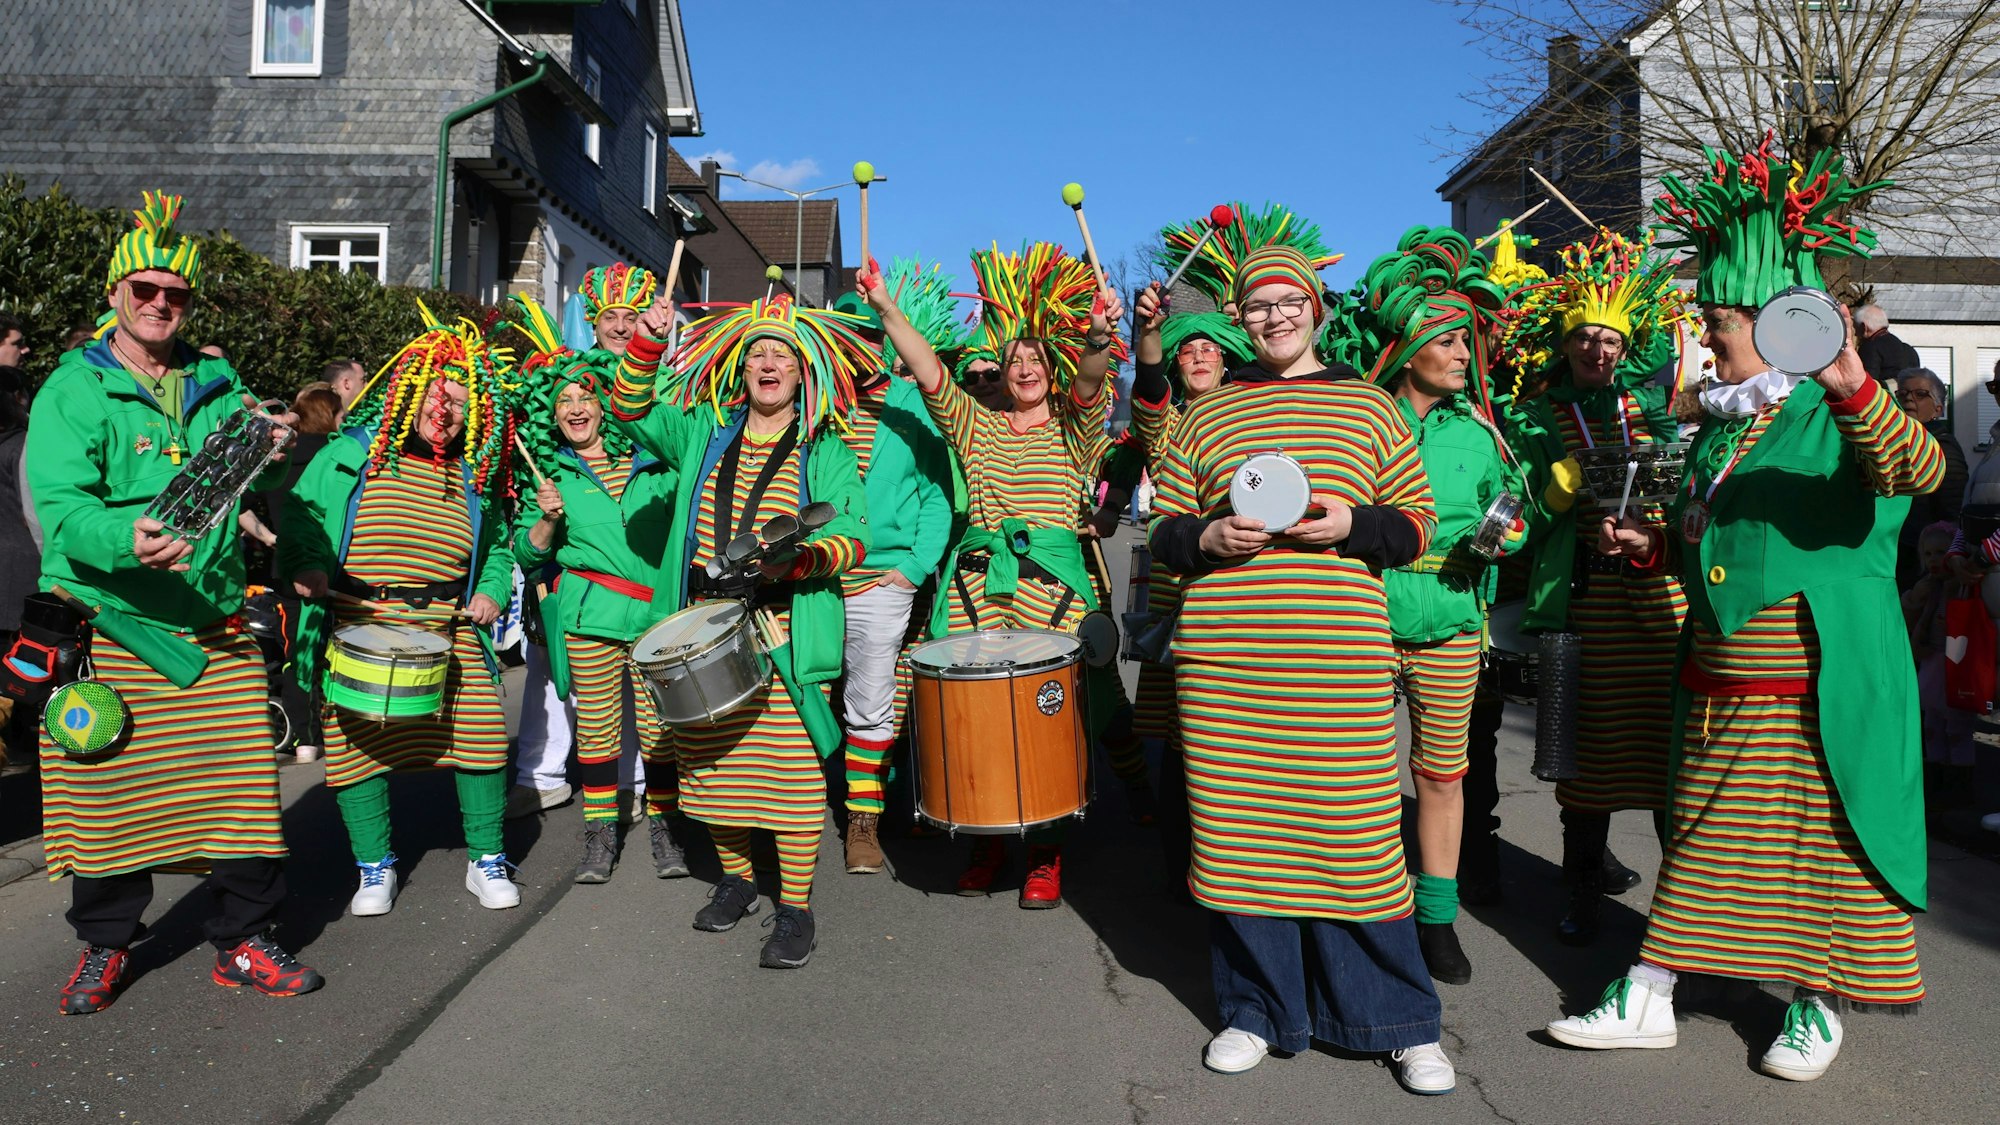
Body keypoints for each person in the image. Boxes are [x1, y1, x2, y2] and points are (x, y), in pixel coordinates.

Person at [1549, 135, 1939, 1082]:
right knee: (1702, 846)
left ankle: (1814, 1003)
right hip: (1717, 681)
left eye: (1718, 320)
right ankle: (1651, 994)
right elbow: (1716, 540)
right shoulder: (1728, 424)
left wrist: (1850, 380)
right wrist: (1655, 548)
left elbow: (1916, 471)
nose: (1706, 335)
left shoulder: (1835, 407)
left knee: (1821, 852)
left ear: (1777, 326)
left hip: (1814, 690)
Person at [1145, 243, 1453, 1094]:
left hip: (1336, 661)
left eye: (1289, 302)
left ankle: (1398, 1019)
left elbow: (1419, 523)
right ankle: (1255, 1008)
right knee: (1239, 837)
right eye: (1257, 305)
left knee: (1355, 836)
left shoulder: (1369, 405)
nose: (1274, 316)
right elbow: (1164, 527)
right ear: (1237, 318)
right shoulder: (1205, 414)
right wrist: (1205, 536)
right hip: (1227, 664)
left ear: (1316, 309)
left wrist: (1355, 523)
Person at [29, 191, 321, 1014]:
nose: (161, 303)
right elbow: (61, 505)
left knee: (242, 793)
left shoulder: (217, 381)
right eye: (146, 290)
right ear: (116, 293)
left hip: (213, 622)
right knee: (108, 796)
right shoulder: (73, 388)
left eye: (176, 294)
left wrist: (273, 448)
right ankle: (106, 944)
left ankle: (244, 940)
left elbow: (250, 471)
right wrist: (127, 540)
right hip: (113, 624)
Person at [609, 292, 871, 970]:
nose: (769, 363)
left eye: (782, 354)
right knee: (714, 766)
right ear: (741, 367)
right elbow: (629, 409)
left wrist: (799, 560)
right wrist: (646, 341)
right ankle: (738, 879)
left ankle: (796, 908)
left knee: (791, 777)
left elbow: (853, 535)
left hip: (780, 628)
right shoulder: (703, 430)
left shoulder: (825, 448)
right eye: (758, 353)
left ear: (803, 372)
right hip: (702, 628)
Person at [864, 242, 1124, 909]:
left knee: (1047, 722)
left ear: (1051, 370)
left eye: (1036, 359)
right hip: (977, 589)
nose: (1025, 368)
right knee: (974, 717)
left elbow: (1091, 382)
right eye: (1014, 360)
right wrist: (886, 306)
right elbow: (929, 374)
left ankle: (1045, 854)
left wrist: (1098, 336)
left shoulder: (1075, 429)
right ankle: (983, 841)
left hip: (1053, 592)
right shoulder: (976, 425)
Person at [282, 312, 522, 918]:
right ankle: (374, 866)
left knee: (482, 735)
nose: (446, 411)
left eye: (460, 404)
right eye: (438, 396)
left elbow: (497, 547)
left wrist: (491, 590)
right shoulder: (350, 453)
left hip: (449, 625)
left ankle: (487, 858)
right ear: (410, 393)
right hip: (357, 621)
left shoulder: (475, 471)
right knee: (355, 745)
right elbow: (303, 517)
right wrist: (307, 565)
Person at [1505, 228, 1691, 944]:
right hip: (1584, 603)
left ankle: (1683, 912)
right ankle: (1582, 891)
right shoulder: (1535, 414)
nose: (1598, 350)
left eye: (1611, 340)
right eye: (1585, 337)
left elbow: (1682, 493)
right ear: (1566, 341)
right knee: (1584, 762)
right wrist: (1557, 486)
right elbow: (1517, 510)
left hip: (1657, 601)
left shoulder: (1647, 410)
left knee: (1669, 756)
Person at [1347, 226, 1522, 986]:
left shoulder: (1481, 432)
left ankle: (1437, 919)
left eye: (1464, 342)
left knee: (1443, 777)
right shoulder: (1361, 417)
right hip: (1365, 616)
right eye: (1448, 342)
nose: (1462, 355)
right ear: (1411, 345)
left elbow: (1508, 509)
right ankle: (1365, 911)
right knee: (1356, 775)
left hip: (1450, 620)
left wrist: (1510, 533)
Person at [508, 294, 686, 883]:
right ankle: (600, 836)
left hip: (657, 618)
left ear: (606, 402)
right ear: (552, 416)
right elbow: (527, 554)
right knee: (598, 729)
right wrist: (546, 520)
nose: (575, 407)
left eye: (585, 396)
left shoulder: (656, 462)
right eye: (563, 401)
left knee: (659, 731)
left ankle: (664, 828)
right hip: (589, 619)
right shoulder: (549, 475)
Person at [826, 270, 956, 874]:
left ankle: (862, 822)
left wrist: (912, 567)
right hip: (813, 579)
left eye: (866, 334)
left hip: (882, 581)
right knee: (801, 694)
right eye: (844, 335)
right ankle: (797, 807)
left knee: (871, 700)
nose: (856, 345)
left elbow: (937, 494)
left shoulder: (911, 404)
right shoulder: (815, 402)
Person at [1892, 367, 1967, 588]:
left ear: (1938, 408)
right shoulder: (1896, 443)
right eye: (1902, 393)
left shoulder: (1942, 447)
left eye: (1920, 394)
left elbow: (1953, 509)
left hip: (1923, 564)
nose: (1908, 398)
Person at [1854, 304, 1921, 387]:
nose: (1856, 334)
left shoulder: (1869, 348)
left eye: (1856, 328)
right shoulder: (1909, 350)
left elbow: (1866, 385)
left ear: (1864, 327)